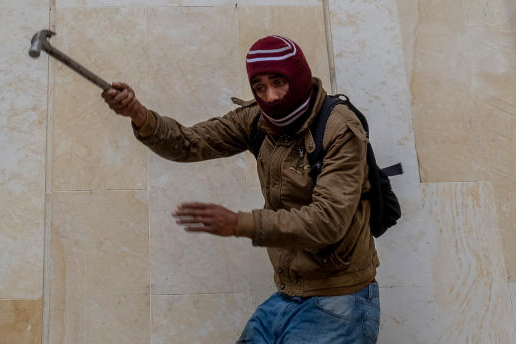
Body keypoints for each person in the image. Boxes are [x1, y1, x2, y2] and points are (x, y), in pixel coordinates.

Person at [102, 35, 380, 343]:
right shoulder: (258, 120)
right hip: (289, 294)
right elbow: (189, 143)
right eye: (259, 87)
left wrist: (239, 223)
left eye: (278, 82)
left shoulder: (340, 127)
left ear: (298, 76)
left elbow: (327, 221)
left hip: (340, 299)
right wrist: (139, 114)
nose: (270, 96)